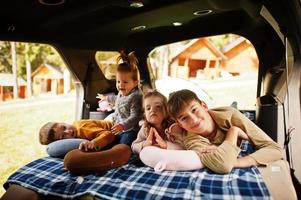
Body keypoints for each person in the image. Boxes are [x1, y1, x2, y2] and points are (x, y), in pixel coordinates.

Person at [166, 89, 284, 174]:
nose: (194, 119)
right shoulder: (191, 138)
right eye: (184, 118)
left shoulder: (230, 114)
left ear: (204, 106)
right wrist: (234, 133)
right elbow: (223, 165)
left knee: (235, 111)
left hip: (225, 117)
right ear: (180, 124)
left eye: (194, 110)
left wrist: (236, 160)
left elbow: (275, 149)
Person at [131, 90, 203, 172]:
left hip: (174, 156)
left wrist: (166, 145)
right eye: (148, 108)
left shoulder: (173, 127)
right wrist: (144, 144)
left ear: (166, 110)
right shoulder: (145, 128)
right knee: (145, 153)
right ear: (144, 114)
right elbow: (134, 146)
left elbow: (183, 146)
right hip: (155, 156)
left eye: (158, 107)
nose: (152, 110)